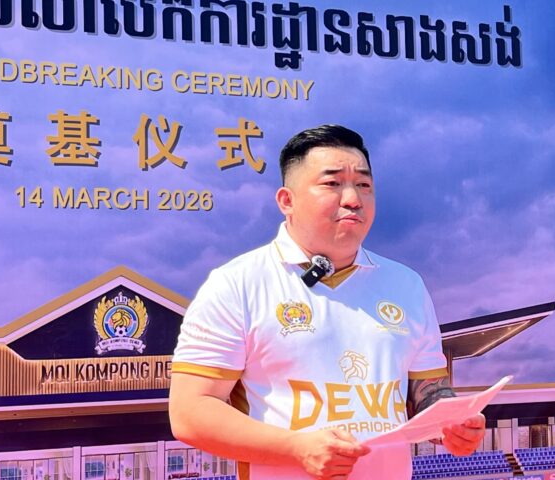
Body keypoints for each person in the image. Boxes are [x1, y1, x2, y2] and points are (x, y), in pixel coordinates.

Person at [169, 124, 486, 480]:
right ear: (287, 201)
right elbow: (190, 412)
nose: (353, 199)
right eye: (332, 183)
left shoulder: (406, 285)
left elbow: (427, 390)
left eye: (363, 185)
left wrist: (454, 422)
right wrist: (296, 447)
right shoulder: (237, 284)